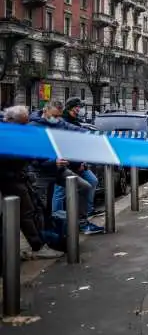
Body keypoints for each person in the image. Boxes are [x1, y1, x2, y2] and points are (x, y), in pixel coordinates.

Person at [28, 101, 104, 235]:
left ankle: (81, 223)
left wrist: (94, 135)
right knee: (39, 206)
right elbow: (32, 155)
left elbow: (74, 129)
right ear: (45, 111)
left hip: (59, 170)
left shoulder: (59, 122)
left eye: (59, 116)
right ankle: (41, 239)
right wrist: (53, 162)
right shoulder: (34, 127)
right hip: (41, 172)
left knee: (85, 186)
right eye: (54, 116)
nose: (56, 119)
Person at [0, 106, 63, 259]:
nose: (25, 126)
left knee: (23, 212)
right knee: (26, 212)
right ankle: (36, 246)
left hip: (15, 177)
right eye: (22, 123)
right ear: (10, 120)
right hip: (10, 178)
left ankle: (12, 250)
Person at [62, 97, 101, 217]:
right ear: (71, 108)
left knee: (92, 181)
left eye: (79, 107)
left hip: (78, 162)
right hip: (67, 164)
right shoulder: (64, 122)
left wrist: (82, 162)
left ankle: (88, 210)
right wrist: (77, 163)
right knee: (60, 192)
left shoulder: (76, 122)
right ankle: (59, 216)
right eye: (77, 107)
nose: (79, 109)